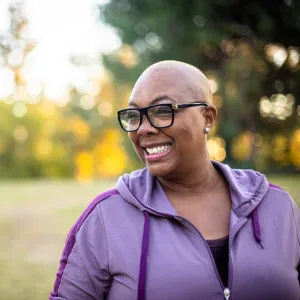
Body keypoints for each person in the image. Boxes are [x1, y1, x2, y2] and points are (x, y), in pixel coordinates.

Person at [50, 61, 300, 300]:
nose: (142, 129)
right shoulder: (105, 217)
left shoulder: (278, 207)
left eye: (162, 111)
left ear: (208, 117)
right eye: (135, 115)